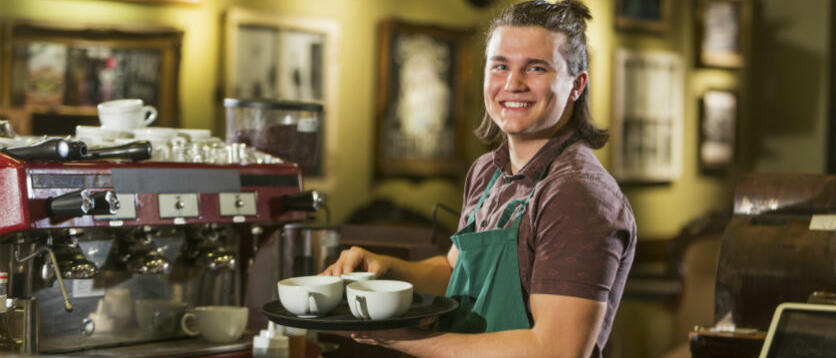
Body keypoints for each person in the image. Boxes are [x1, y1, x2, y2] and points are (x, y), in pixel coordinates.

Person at [322, 1, 636, 357]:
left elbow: (555, 350)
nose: (512, 84)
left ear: (577, 85)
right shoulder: (487, 171)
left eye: (535, 68)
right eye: (500, 66)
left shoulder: (577, 194)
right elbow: (456, 273)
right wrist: (387, 268)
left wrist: (402, 338)